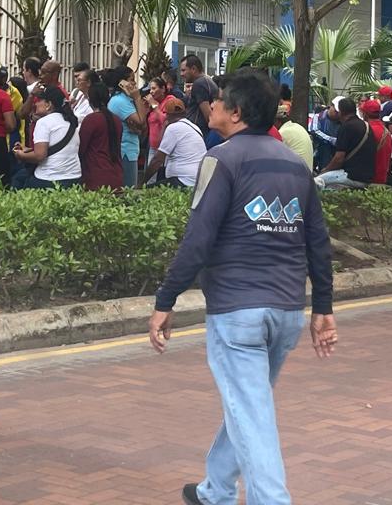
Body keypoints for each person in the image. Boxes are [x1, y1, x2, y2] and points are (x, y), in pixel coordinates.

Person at [147, 68, 335, 505]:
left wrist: (165, 298)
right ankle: (215, 489)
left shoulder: (222, 159)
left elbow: (198, 238)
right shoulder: (294, 163)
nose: (210, 105)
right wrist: (323, 306)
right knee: (247, 406)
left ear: (234, 112)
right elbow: (318, 242)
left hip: (237, 312)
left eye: (218, 100)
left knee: (251, 414)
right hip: (286, 311)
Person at [13, 85, 81, 187]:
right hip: (74, 178)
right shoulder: (69, 121)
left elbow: (40, 155)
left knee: (18, 179)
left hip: (49, 179)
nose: (35, 103)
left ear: (49, 104)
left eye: (39, 100)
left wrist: (20, 155)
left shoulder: (44, 122)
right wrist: (27, 149)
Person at [143, 98, 208, 188]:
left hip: (184, 180)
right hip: (197, 179)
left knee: (147, 191)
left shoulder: (174, 128)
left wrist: (143, 182)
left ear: (167, 115)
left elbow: (157, 160)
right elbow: (161, 145)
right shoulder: (194, 127)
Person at [316, 98, 376, 190]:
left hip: (351, 175)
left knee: (316, 181)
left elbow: (339, 159)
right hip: (367, 176)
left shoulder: (346, 127)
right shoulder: (365, 125)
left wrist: (325, 170)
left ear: (341, 112)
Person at [79, 81, 124, 192]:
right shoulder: (116, 120)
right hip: (116, 175)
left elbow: (81, 148)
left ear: (90, 99)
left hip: (95, 177)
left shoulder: (91, 120)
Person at [106, 68, 148, 188]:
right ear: (121, 83)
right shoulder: (120, 101)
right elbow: (141, 121)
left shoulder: (126, 100)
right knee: (129, 189)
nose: (134, 83)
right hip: (125, 151)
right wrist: (137, 98)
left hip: (130, 150)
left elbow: (142, 126)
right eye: (131, 80)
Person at [180, 54, 218, 136]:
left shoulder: (199, 84)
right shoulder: (207, 80)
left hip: (198, 134)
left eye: (183, 70)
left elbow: (209, 116)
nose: (181, 74)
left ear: (193, 69)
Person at [146, 76, 180, 162]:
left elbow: (166, 121)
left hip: (166, 148)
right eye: (150, 89)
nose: (151, 92)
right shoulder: (153, 103)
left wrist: (154, 106)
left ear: (163, 89)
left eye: (154, 88)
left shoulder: (170, 101)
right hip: (153, 147)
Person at [360, 99, 392, 187]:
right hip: (382, 178)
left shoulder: (365, 130)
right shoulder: (387, 132)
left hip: (367, 179)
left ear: (365, 114)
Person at [276, 104, 313, 168]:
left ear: (277, 121)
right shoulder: (297, 126)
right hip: (307, 172)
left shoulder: (283, 132)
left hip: (298, 174)